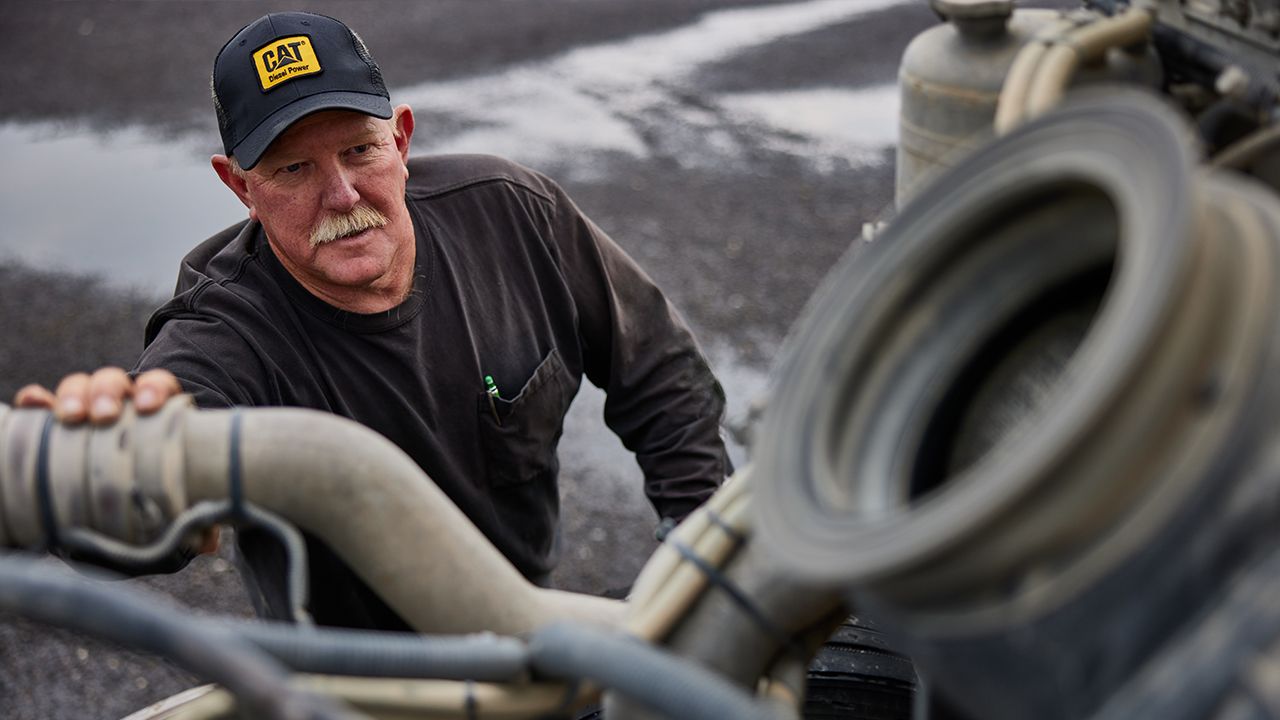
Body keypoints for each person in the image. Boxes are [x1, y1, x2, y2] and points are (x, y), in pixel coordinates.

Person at [15, 11, 731, 630]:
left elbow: (658, 366)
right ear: (240, 188)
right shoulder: (223, 332)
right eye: (293, 170)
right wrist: (99, 473)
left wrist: (695, 553)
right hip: (354, 688)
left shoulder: (514, 214)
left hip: (530, 634)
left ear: (403, 141)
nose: (341, 193)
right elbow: (142, 497)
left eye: (360, 149)